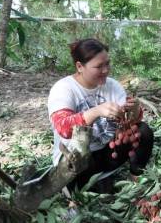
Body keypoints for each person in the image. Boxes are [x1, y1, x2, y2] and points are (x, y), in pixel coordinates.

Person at [47, 38, 154, 190]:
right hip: (76, 160)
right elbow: (63, 128)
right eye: (99, 66)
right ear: (80, 66)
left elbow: (129, 122)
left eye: (107, 64)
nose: (105, 70)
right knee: (82, 179)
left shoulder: (112, 85)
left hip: (106, 152)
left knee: (142, 131)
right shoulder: (63, 89)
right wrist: (96, 111)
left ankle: (135, 177)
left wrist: (134, 111)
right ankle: (84, 188)